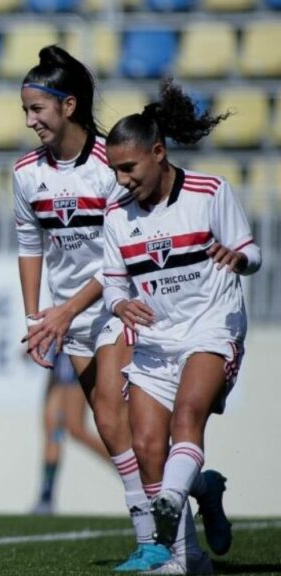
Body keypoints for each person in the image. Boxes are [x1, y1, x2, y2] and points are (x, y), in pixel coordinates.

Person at [13, 45, 174, 571]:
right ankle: (195, 489)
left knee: (109, 412)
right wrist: (38, 317)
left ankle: (153, 540)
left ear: (69, 106)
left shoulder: (113, 164)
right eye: (26, 111)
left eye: (38, 109)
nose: (31, 120)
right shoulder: (24, 174)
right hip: (69, 315)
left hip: (118, 304)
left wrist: (63, 312)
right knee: (115, 428)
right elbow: (29, 242)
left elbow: (121, 254)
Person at [103, 80, 257, 574]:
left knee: (188, 415)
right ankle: (189, 554)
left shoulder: (210, 192)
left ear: (158, 152)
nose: (122, 179)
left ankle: (171, 500)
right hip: (155, 342)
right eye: (115, 171)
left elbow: (251, 254)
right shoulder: (116, 217)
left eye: (129, 168)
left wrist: (237, 257)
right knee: (148, 445)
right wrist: (119, 306)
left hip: (212, 328)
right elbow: (112, 284)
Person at [31, 351, 108, 516]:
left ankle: (133, 469)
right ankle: (46, 496)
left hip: (72, 350)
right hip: (59, 355)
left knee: (75, 428)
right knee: (53, 428)